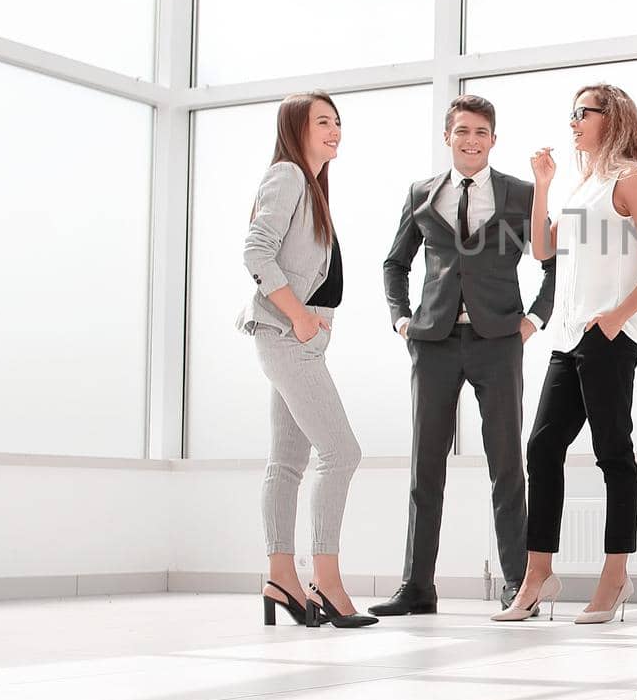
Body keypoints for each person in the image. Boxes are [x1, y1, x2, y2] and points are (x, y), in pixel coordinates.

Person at [493, 85, 637, 624]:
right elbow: (544, 252)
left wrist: (618, 317)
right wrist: (544, 187)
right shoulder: (583, 184)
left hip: (609, 336)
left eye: (582, 113)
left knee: (613, 452)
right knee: (542, 448)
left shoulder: (630, 180)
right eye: (571, 113)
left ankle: (615, 576)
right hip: (568, 337)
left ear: (609, 117)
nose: (572, 122)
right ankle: (538, 574)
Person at [372, 95, 555, 616]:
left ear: (493, 139)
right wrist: (401, 319)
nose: (471, 140)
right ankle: (417, 588)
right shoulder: (421, 194)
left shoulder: (520, 193)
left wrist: (534, 320)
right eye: (462, 132)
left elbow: (551, 262)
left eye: (480, 132)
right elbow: (394, 263)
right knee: (424, 466)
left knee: (506, 466)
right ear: (447, 136)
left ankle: (518, 584)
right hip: (433, 342)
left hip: (498, 341)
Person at [238, 90, 375, 630]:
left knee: (288, 461)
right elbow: (255, 250)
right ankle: (326, 579)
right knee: (342, 453)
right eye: (322, 121)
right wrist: (298, 316)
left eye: (337, 121)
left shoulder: (312, 185)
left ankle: (280, 576)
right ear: (295, 127)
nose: (334, 130)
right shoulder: (289, 176)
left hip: (299, 335)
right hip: (287, 333)